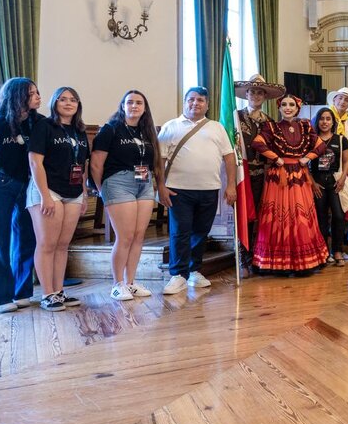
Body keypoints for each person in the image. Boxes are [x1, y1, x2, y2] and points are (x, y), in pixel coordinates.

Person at [157, 87, 237, 294]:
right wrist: (160, 186)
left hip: (209, 189)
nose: (195, 103)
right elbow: (160, 160)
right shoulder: (170, 126)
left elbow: (229, 158)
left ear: (207, 105)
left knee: (201, 232)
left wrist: (230, 185)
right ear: (184, 102)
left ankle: (194, 271)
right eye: (191, 99)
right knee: (180, 232)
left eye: (200, 100)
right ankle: (177, 275)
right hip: (177, 190)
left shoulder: (217, 128)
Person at [92, 90, 163, 300]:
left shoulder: (147, 132)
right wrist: (102, 190)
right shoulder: (110, 129)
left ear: (144, 107)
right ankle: (117, 283)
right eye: (130, 102)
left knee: (139, 236)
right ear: (122, 105)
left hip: (145, 182)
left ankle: (130, 282)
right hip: (118, 182)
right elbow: (96, 164)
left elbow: (155, 161)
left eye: (139, 103)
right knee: (125, 236)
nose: (134, 106)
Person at [0, 78, 41, 313]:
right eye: (31, 93)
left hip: (27, 186)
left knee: (27, 237)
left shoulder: (35, 123)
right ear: (17, 97)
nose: (37, 97)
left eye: (36, 92)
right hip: (2, 184)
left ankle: (21, 291)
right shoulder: (0, 123)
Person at [26, 87, 90, 311]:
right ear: (54, 103)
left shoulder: (79, 130)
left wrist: (83, 194)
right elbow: (35, 163)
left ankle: (59, 291)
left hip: (73, 192)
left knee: (63, 245)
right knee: (47, 244)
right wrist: (44, 196)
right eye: (63, 99)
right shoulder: (45, 126)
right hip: (47, 190)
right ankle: (47, 294)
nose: (68, 103)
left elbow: (82, 166)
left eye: (73, 99)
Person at [249, 94, 329, 273]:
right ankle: (276, 262)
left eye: (291, 105)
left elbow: (321, 145)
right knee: (279, 217)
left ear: (297, 108)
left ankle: (304, 261)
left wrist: (307, 157)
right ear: (279, 108)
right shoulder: (272, 126)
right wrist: (275, 157)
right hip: (279, 176)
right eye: (284, 104)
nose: (288, 107)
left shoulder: (305, 125)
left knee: (300, 216)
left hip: (299, 176)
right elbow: (257, 143)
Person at [233, 74, 285, 264]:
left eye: (260, 93)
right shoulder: (236, 117)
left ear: (264, 97)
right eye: (252, 91)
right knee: (245, 214)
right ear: (246, 94)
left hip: (264, 174)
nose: (256, 95)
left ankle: (259, 254)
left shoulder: (270, 122)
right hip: (242, 174)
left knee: (263, 215)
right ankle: (243, 256)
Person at [309, 107, 348, 265]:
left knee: (339, 216)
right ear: (317, 121)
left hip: (335, 182)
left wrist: (343, 179)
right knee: (321, 218)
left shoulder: (341, 139)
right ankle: (324, 251)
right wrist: (312, 183)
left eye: (328, 119)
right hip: (317, 183)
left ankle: (337, 250)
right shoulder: (312, 140)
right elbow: (305, 164)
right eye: (321, 118)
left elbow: (346, 162)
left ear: (333, 122)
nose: (324, 122)